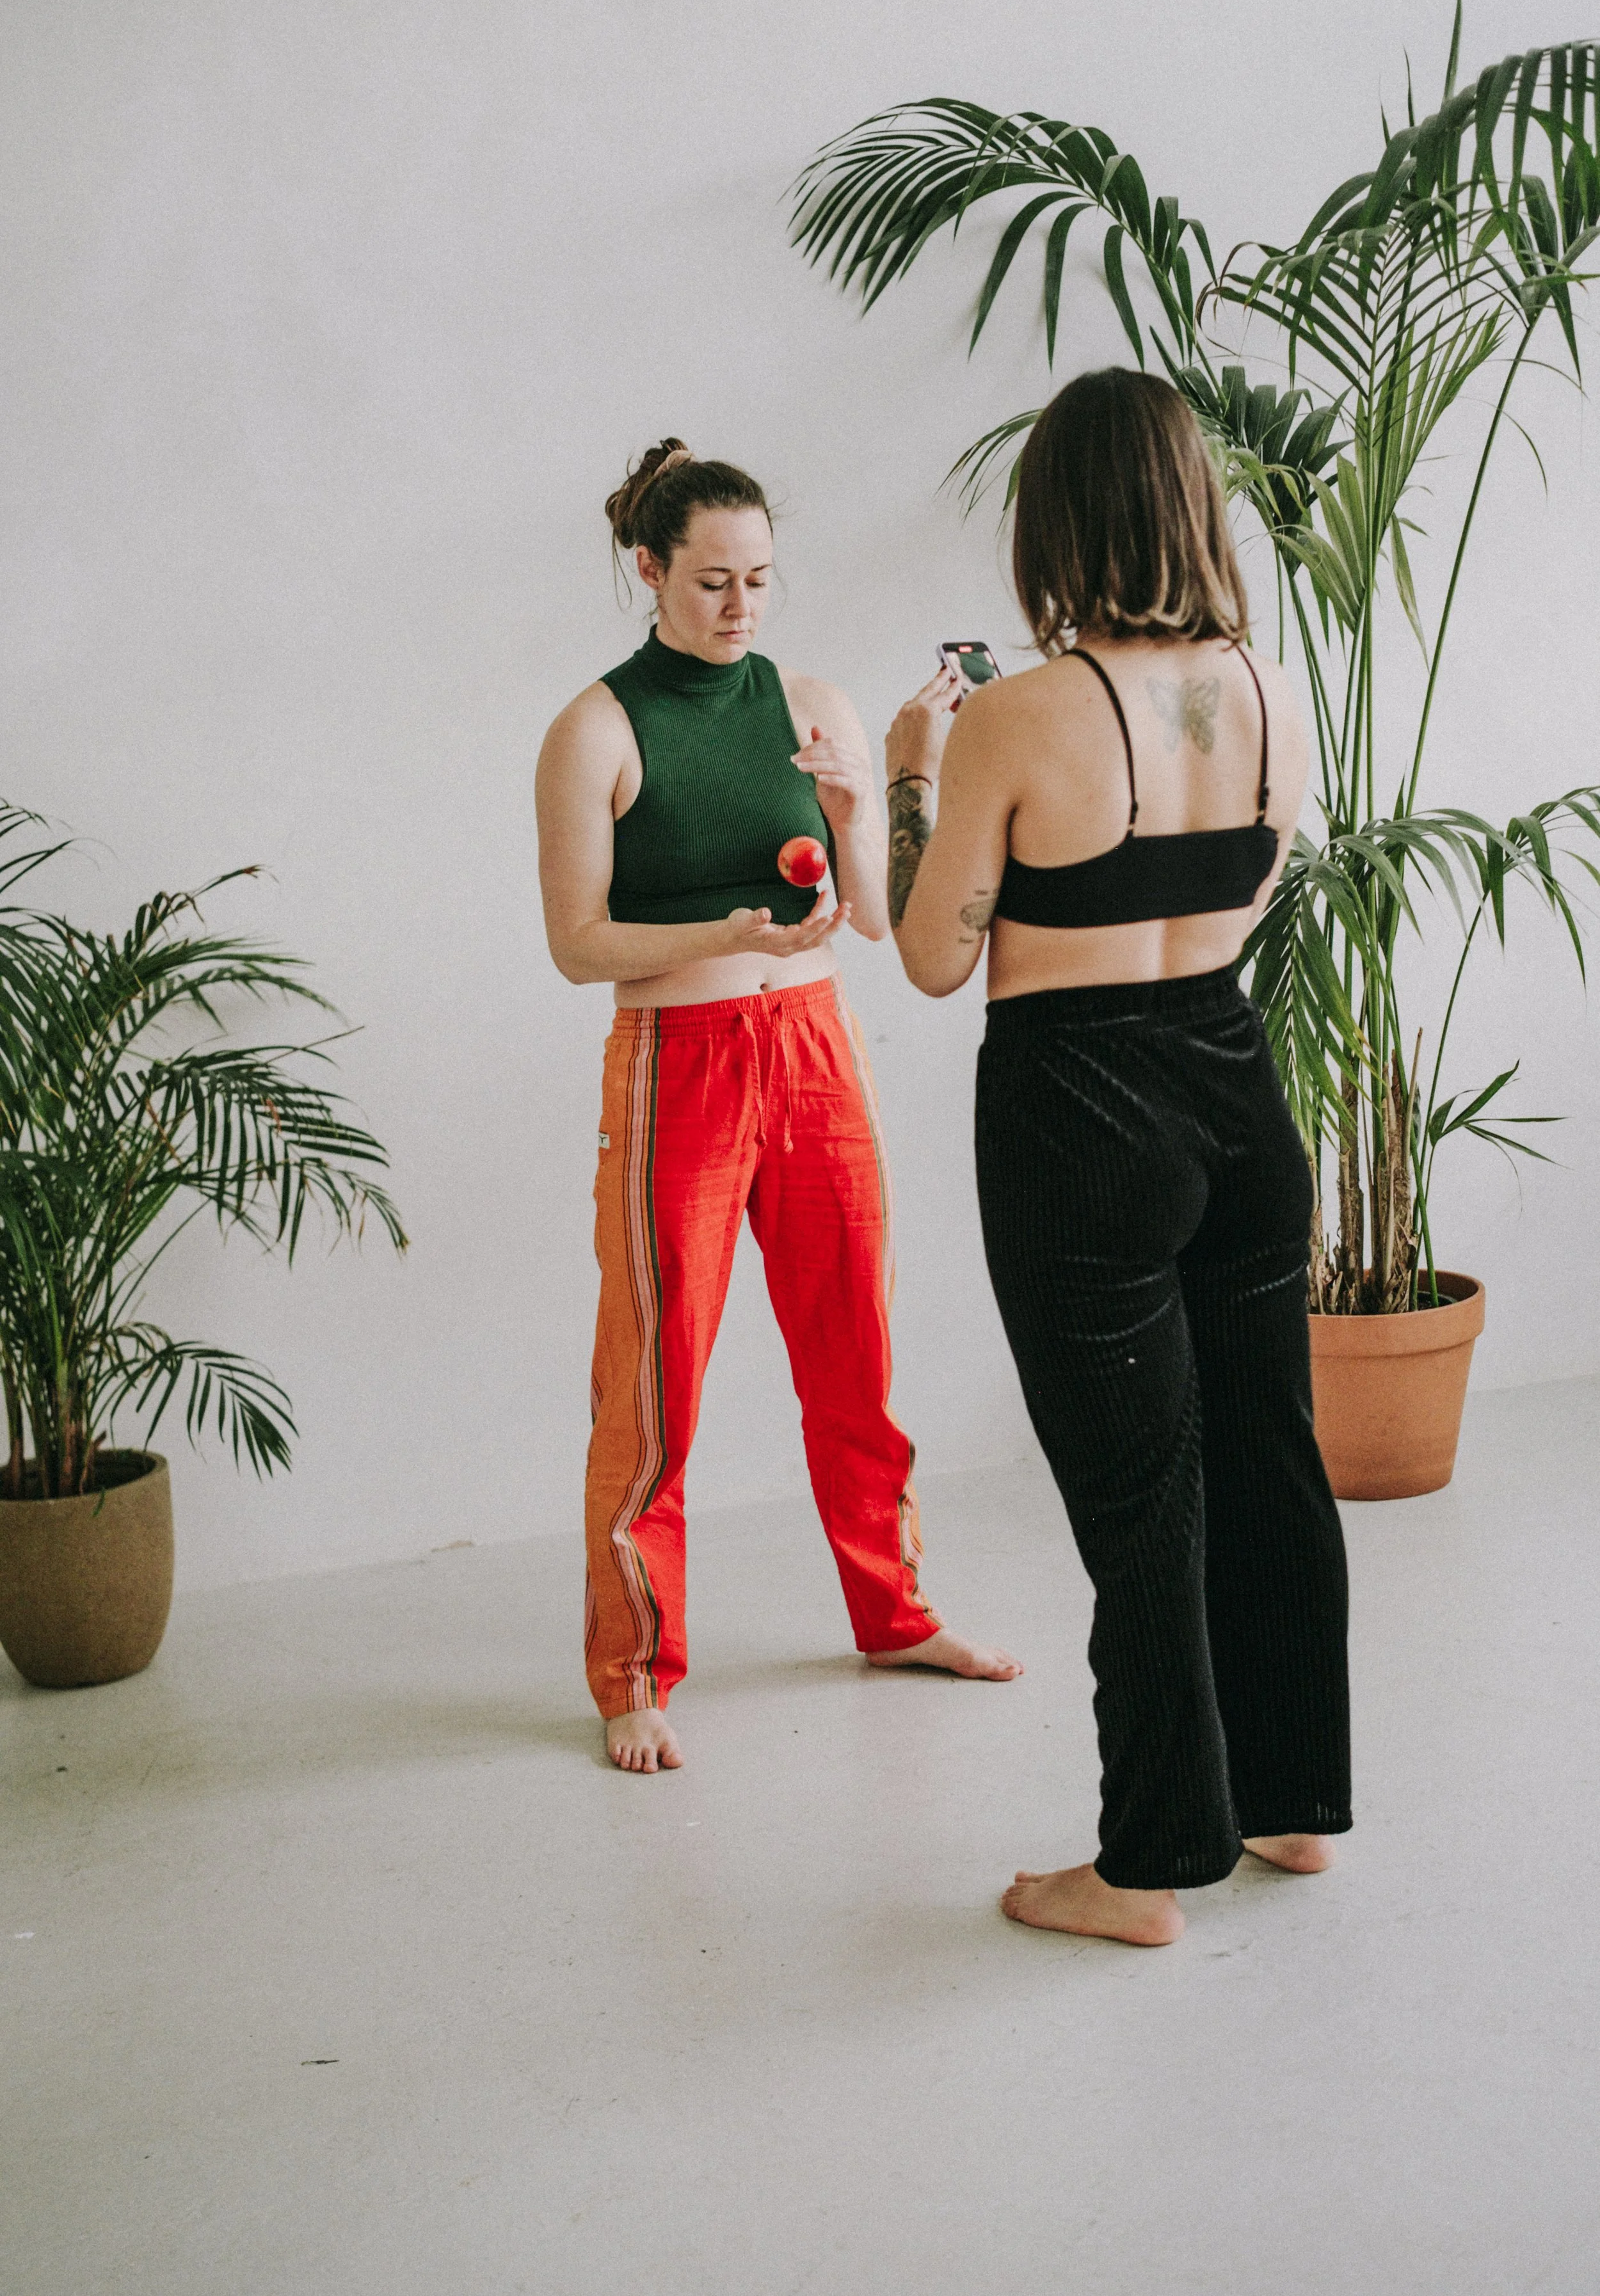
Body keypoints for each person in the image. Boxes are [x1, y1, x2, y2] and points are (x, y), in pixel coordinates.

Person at [882, 369, 1351, 1944]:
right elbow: (1248, 894)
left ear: (1054, 520)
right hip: (1231, 1084)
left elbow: (932, 960)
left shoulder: (1019, 713)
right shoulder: (1274, 692)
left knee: (1141, 1497)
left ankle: (1147, 1863)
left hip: (1075, 1115)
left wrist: (902, 775)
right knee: (1268, 1462)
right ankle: (1288, 1807)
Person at [537, 439, 1021, 1774]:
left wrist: (859, 801)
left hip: (812, 1046)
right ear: (646, 569)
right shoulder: (595, 728)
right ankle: (632, 1673)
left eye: (758, 579)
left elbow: (868, 918)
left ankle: (895, 1611)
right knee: (652, 1386)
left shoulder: (812, 703)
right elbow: (576, 942)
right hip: (673, 1059)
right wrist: (721, 931)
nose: (740, 606)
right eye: (709, 582)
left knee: (850, 1354)